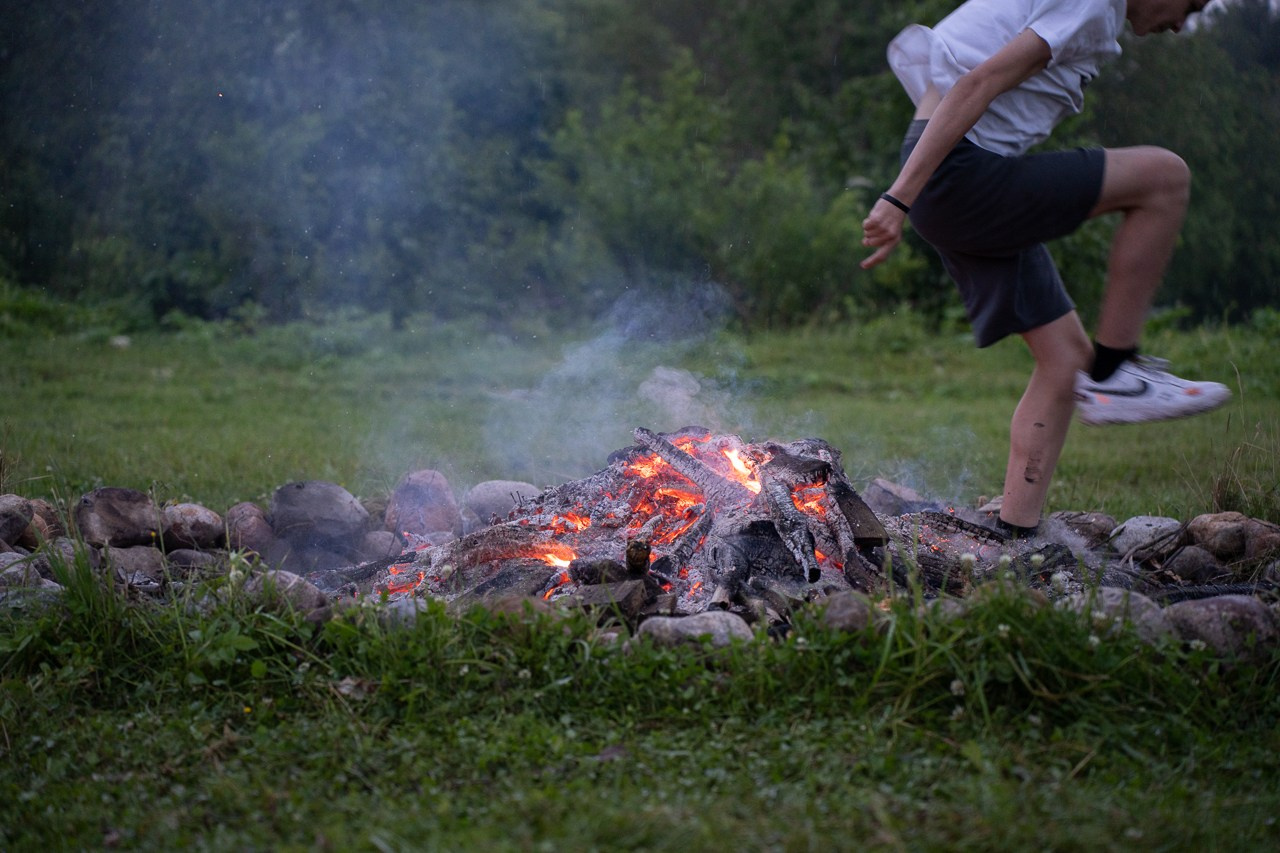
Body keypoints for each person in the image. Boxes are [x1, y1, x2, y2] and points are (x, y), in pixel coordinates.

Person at [860, 0, 1230, 539]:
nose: (1181, 24)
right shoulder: (1093, 1)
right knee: (1164, 178)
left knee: (1063, 359)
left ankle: (1015, 535)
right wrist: (899, 199)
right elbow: (977, 83)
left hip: (949, 175)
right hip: (959, 175)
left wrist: (913, 192)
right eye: (1190, 5)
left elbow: (955, 75)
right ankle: (1116, 372)